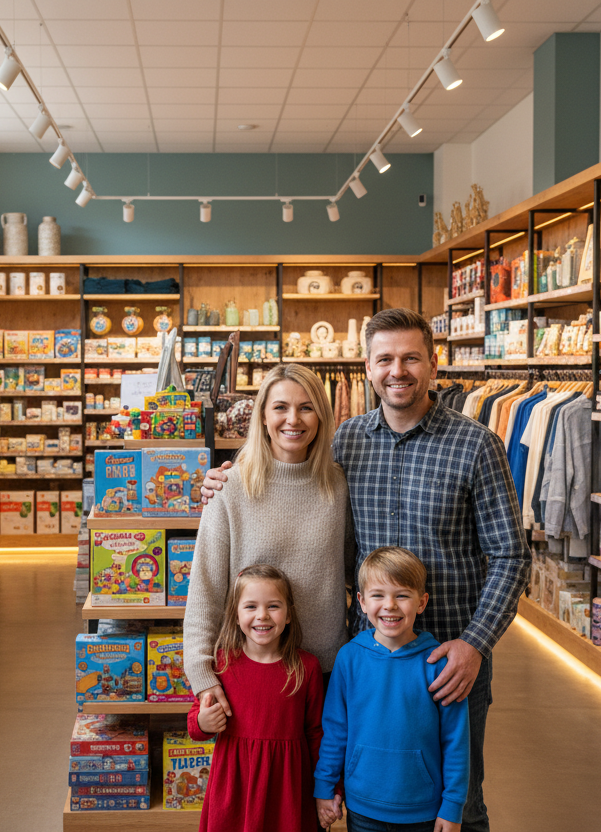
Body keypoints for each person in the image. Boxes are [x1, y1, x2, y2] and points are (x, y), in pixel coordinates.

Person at [204, 308, 530, 832]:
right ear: (368, 368)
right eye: (385, 359)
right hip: (368, 662)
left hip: (448, 661)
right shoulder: (346, 442)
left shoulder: (477, 445)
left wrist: (475, 645)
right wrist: (226, 477)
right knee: (367, 798)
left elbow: (512, 556)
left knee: (460, 804)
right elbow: (287, 473)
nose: (397, 371)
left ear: (433, 364)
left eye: (411, 358)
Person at [183, 363, 351, 721]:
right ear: (262, 416)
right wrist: (200, 670)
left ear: (321, 416)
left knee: (320, 759)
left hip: (325, 672)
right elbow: (205, 588)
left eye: (306, 408)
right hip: (250, 670)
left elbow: (356, 569)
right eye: (280, 407)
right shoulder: (230, 487)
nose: (293, 419)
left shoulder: (338, 485)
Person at [314, 547, 469, 832]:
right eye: (378, 595)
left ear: (421, 602)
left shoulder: (440, 665)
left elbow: (455, 741)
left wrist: (453, 806)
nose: (390, 605)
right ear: (361, 601)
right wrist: (324, 786)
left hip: (422, 811)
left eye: (402, 595)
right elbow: (335, 730)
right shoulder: (349, 658)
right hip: (362, 807)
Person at [187, 564, 325, 831]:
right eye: (251, 606)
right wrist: (204, 722)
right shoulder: (220, 663)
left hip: (286, 789)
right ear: (236, 615)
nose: (262, 615)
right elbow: (195, 724)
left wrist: (325, 789)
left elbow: (316, 733)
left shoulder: (306, 667)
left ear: (288, 615)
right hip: (233, 786)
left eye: (273, 606)